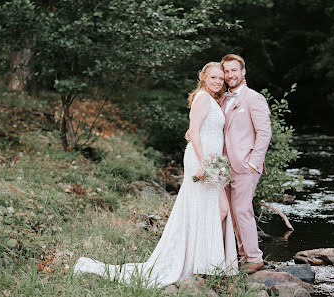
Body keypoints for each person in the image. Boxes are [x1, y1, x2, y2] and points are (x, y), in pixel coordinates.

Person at [73, 62, 238, 287]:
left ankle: (199, 261)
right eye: (214, 77)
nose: (218, 81)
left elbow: (191, 131)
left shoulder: (212, 99)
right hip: (203, 161)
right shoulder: (202, 98)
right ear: (204, 77)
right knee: (214, 208)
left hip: (210, 160)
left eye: (221, 78)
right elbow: (196, 133)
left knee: (214, 209)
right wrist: (204, 163)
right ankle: (196, 262)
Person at [220, 54, 272, 274]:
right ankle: (242, 256)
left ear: (243, 72)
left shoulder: (254, 98)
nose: (230, 75)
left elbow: (264, 132)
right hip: (222, 166)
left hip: (245, 165)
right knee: (232, 212)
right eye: (227, 71)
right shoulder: (221, 98)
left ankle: (254, 257)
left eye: (234, 70)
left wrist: (254, 162)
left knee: (242, 210)